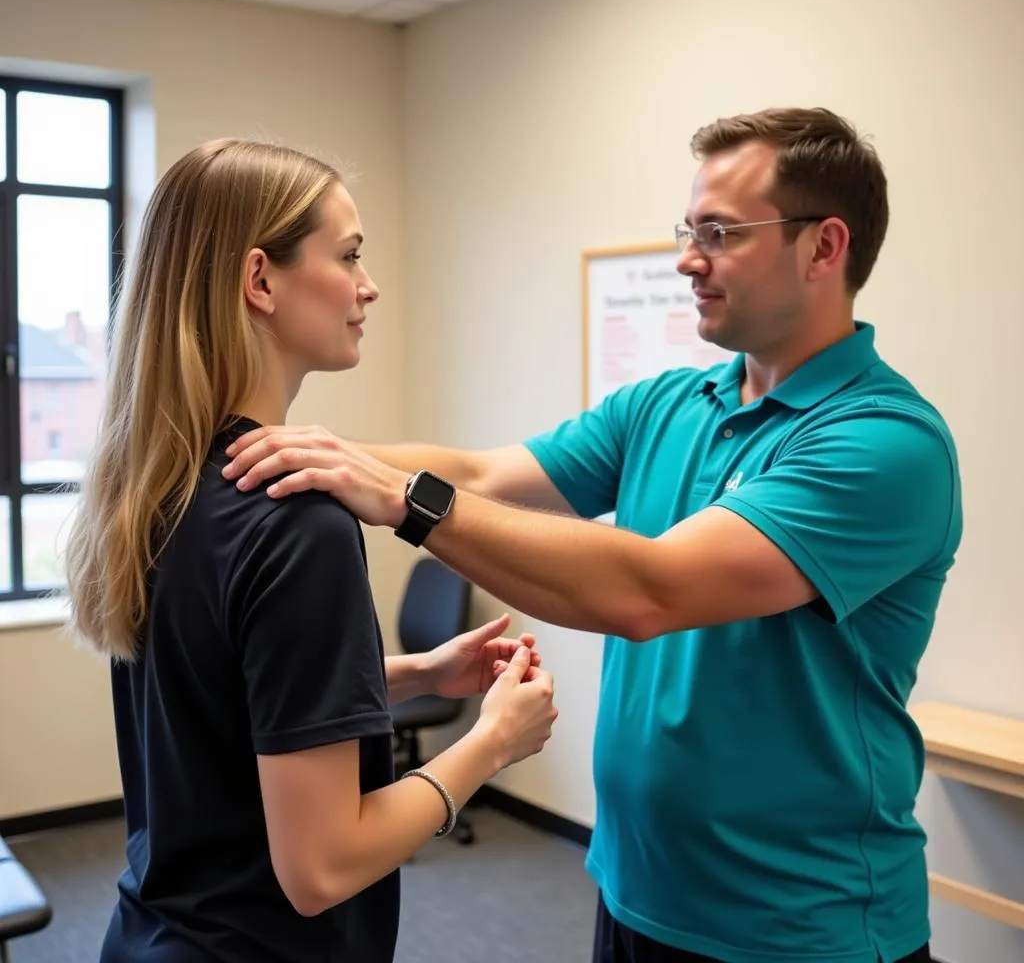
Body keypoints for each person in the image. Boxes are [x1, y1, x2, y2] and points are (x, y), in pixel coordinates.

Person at [223, 107, 962, 963]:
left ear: (824, 248)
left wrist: (404, 502)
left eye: (719, 233)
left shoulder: (884, 443)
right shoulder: (667, 405)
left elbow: (650, 590)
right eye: (689, 230)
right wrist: (256, 451)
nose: (689, 258)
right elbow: (486, 476)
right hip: (635, 893)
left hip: (800, 929)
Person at [64, 138, 559, 963]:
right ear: (260, 280)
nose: (369, 287)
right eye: (350, 255)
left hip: (151, 934)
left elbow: (224, 697)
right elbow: (322, 867)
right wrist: (491, 743)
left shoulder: (160, 485)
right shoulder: (298, 521)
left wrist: (417, 673)